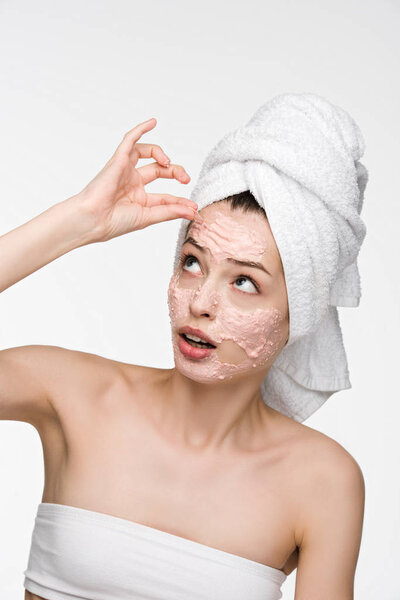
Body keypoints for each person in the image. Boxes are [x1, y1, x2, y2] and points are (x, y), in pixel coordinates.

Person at [0, 116, 365, 600]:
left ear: (300, 313)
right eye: (192, 262)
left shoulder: (322, 480)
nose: (201, 303)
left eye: (244, 282)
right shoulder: (70, 392)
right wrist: (79, 221)